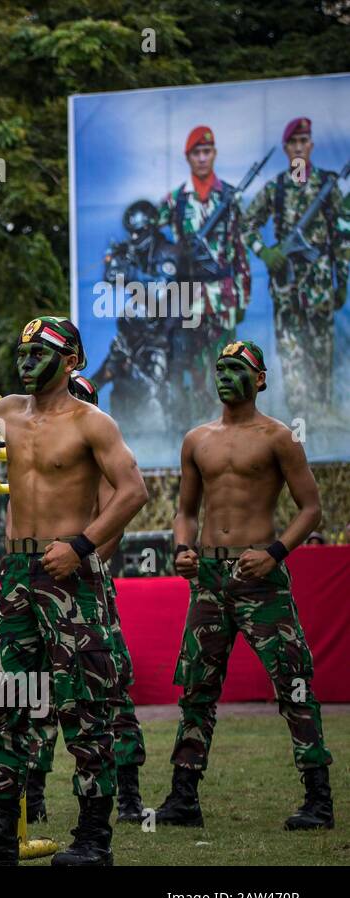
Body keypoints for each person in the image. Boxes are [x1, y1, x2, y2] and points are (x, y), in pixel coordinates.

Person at [0, 319, 149, 866]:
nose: (28, 358)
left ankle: (94, 840)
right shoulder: (7, 411)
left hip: (70, 578)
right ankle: (0, 833)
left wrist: (82, 544)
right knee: (2, 700)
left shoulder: (92, 423)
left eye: (42, 350)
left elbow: (133, 491)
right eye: (23, 349)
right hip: (17, 575)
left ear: (71, 360)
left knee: (84, 707)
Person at [155, 341, 333, 831]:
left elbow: (311, 508)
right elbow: (185, 511)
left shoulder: (279, 438)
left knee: (293, 683)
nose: (226, 375)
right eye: (220, 367)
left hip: (261, 577)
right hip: (210, 579)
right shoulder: (197, 439)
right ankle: (183, 797)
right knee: (196, 686)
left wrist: (275, 553)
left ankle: (318, 798)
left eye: (238, 368)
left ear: (260, 379)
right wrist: (182, 549)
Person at [26, 372, 148, 826]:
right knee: (37, 690)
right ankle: (33, 794)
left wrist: (80, 551)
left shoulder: (101, 450)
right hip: (41, 581)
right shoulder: (44, 439)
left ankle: (130, 796)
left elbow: (112, 532)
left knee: (107, 688)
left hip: (88, 585)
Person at [243, 118, 349, 420]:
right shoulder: (275, 188)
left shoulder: (328, 186)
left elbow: (342, 236)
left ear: (311, 146)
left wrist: (341, 281)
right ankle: (300, 434)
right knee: (292, 366)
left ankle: (323, 436)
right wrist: (266, 251)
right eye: (294, 143)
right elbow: (247, 225)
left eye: (304, 141)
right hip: (286, 291)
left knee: (321, 361)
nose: (299, 147)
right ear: (286, 148)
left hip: (319, 290)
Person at [155, 125, 253, 430]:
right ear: (188, 157)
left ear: (214, 154)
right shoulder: (174, 201)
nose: (202, 158)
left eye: (207, 151)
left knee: (226, 364)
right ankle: (201, 433)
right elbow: (155, 243)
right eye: (196, 152)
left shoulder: (229, 197)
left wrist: (242, 296)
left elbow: (240, 250)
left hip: (222, 296)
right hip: (190, 297)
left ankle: (231, 429)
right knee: (193, 368)